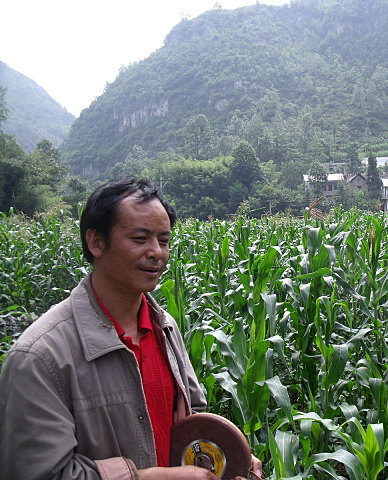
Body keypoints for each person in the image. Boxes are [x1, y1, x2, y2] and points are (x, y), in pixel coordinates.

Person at [0, 178, 262, 480]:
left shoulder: (164, 327)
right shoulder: (39, 358)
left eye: (163, 240)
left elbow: (189, 423)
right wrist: (147, 477)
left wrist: (230, 454)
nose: (157, 252)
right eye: (140, 239)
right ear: (96, 242)